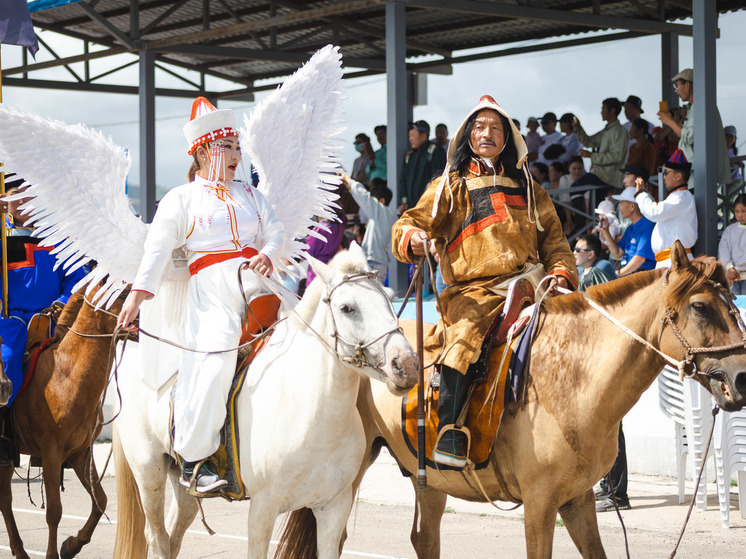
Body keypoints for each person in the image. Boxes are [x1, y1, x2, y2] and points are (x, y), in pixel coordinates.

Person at [391, 95, 578, 468]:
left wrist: (560, 273)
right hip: (473, 292)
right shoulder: (449, 185)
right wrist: (412, 237)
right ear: (468, 136)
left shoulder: (531, 189)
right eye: (479, 126)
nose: (487, 133)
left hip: (534, 285)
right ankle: (450, 431)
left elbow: (556, 244)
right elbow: (407, 222)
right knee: (463, 341)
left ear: (507, 137)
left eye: (495, 126)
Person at [117, 97, 285, 493]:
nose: (236, 155)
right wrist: (138, 295)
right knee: (213, 362)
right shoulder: (182, 198)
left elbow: (275, 231)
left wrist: (267, 252)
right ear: (205, 150)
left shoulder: (252, 195)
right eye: (228, 147)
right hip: (212, 292)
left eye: (237, 147)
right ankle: (194, 461)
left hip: (260, 284)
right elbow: (157, 249)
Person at [0, 176, 88, 465]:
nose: (23, 200)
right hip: (10, 320)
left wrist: (61, 303)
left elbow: (77, 277)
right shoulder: (1, 236)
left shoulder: (58, 237)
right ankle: (3, 434)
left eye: (29, 194)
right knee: (10, 359)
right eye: (15, 194)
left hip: (52, 319)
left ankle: (67, 433)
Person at [658, 68, 730, 187]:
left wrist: (670, 122)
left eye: (677, 86)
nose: (676, 91)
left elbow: (689, 137)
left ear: (687, 85)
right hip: (695, 171)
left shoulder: (701, 106)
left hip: (700, 173)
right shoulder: (695, 107)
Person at [634, 149, 697, 268]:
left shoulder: (681, 197)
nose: (664, 177)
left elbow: (655, 212)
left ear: (678, 176)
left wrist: (641, 194)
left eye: (666, 173)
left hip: (676, 262)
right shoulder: (677, 197)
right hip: (669, 262)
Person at [341, 174, 396, 282]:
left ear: (382, 201)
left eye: (373, 200)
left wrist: (348, 180)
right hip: (377, 263)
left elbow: (363, 196)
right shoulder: (390, 215)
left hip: (374, 264)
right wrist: (349, 186)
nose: (369, 204)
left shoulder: (381, 212)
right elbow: (362, 198)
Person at [598, 186, 656, 276]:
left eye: (621, 204)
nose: (619, 208)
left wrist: (619, 273)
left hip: (642, 275)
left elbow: (640, 259)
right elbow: (617, 253)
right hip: (631, 273)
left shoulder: (647, 225)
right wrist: (605, 231)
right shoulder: (630, 228)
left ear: (632, 206)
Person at [574, 97, 629, 189]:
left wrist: (591, 155)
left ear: (612, 111)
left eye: (603, 109)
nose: (601, 112)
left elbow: (616, 156)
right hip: (601, 174)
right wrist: (579, 129)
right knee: (589, 196)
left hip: (608, 176)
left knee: (575, 189)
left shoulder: (619, 131)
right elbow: (589, 142)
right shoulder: (607, 130)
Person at [398, 120, 446, 212]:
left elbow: (437, 179)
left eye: (413, 136)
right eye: (409, 136)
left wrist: (427, 201)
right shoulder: (409, 155)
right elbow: (403, 180)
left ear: (423, 136)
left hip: (429, 209)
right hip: (411, 209)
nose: (410, 139)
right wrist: (404, 202)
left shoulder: (435, 150)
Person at [718, 194, 746, 295]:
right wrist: (730, 267)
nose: (740, 215)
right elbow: (723, 250)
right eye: (737, 211)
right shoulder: (730, 230)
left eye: (743, 211)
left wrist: (736, 269)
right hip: (731, 278)